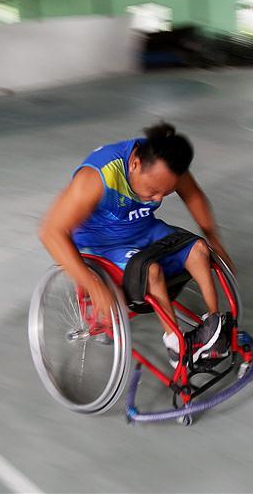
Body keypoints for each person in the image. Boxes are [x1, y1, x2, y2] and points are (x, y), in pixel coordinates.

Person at [39, 122, 235, 365]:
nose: (158, 198)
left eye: (166, 192)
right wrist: (93, 283)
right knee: (150, 270)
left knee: (199, 250)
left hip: (143, 228)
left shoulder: (166, 163)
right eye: (153, 190)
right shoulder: (97, 177)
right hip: (101, 241)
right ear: (135, 165)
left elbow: (193, 194)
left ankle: (212, 326)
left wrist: (214, 239)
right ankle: (176, 346)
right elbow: (50, 232)